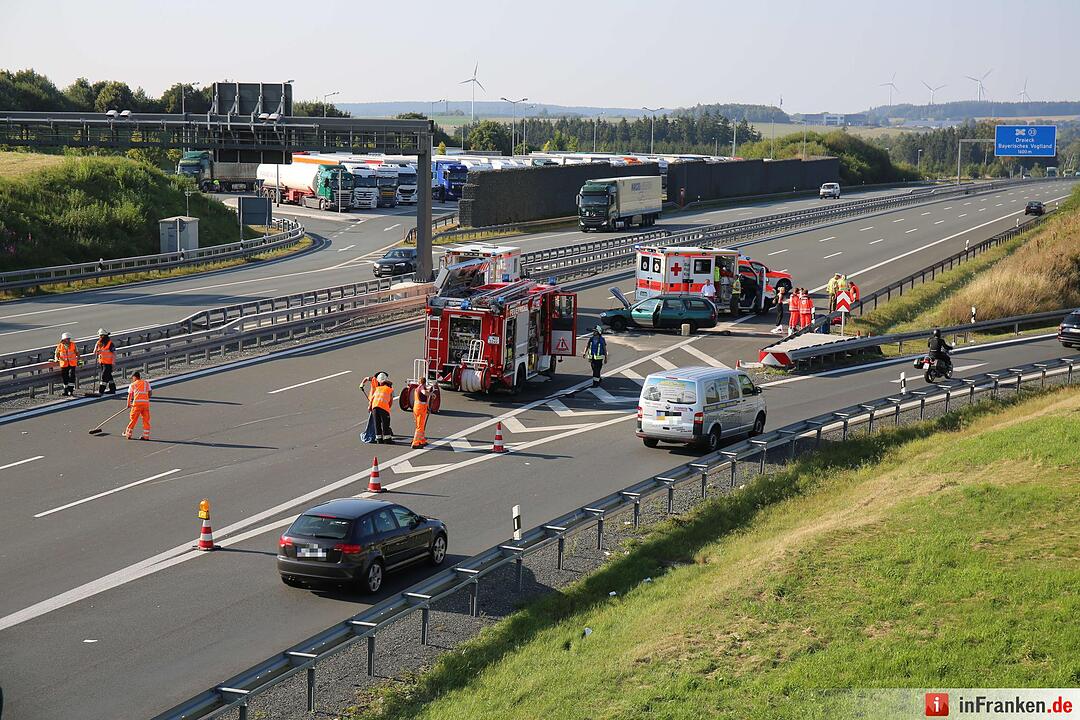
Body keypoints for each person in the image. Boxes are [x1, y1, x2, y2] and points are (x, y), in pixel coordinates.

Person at [360, 372, 388, 444]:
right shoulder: (373, 379)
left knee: (378, 419)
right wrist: (362, 383)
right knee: (377, 419)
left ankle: (381, 433)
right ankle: (379, 433)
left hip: (376, 401)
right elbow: (366, 378)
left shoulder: (385, 383)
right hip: (373, 401)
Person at [123, 370, 152, 440]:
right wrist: (145, 398)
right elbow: (150, 393)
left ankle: (128, 434)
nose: (132, 379)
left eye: (132, 377)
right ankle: (146, 436)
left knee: (133, 419)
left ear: (134, 377)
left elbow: (130, 395)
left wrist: (128, 404)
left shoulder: (133, 385)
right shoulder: (146, 383)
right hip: (145, 404)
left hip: (137, 405)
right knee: (146, 420)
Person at [53, 332, 79, 396]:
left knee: (71, 376)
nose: (68, 340)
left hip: (72, 364)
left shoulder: (73, 344)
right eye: (67, 339)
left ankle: (71, 390)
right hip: (64, 364)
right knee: (65, 378)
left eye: (69, 339)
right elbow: (56, 353)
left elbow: (77, 353)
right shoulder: (59, 346)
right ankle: (65, 391)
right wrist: (56, 359)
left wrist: (78, 360)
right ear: (63, 339)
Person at [371, 378, 395, 444]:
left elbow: (372, 399)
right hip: (383, 408)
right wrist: (388, 408)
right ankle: (387, 439)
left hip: (375, 407)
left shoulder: (378, 388)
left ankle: (379, 439)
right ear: (389, 385)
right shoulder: (390, 390)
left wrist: (370, 407)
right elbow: (390, 402)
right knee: (385, 423)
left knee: (377, 423)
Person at [93, 328, 117, 396]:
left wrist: (113, 363)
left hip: (108, 364)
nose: (100, 337)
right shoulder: (98, 343)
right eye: (100, 336)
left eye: (101, 336)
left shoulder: (110, 344)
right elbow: (94, 351)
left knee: (104, 376)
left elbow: (114, 354)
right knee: (109, 376)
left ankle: (101, 391)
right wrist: (97, 352)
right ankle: (113, 389)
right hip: (102, 363)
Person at [411, 380, 431, 449]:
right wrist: (431, 394)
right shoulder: (422, 387)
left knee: (420, 426)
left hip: (416, 408)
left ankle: (422, 440)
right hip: (420, 409)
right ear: (424, 383)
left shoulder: (417, 389)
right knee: (420, 426)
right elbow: (424, 392)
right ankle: (415, 443)